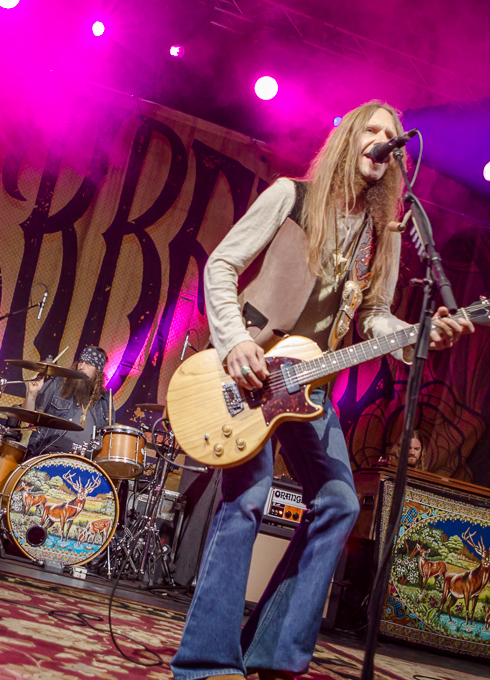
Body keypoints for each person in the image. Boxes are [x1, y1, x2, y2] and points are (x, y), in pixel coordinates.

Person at [171, 101, 473, 680]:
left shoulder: (383, 237)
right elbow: (222, 265)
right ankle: (204, 663)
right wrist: (234, 341)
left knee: (339, 503)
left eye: (393, 137)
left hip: (311, 386)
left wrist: (418, 336)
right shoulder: (292, 197)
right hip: (254, 371)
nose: (384, 141)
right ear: (350, 139)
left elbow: (377, 318)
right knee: (249, 497)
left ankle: (274, 654)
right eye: (374, 131)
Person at [21, 346, 111, 458]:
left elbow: (108, 440)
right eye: (81, 362)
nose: (81, 367)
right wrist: (31, 393)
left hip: (85, 464)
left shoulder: (104, 401)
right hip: (47, 454)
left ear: (98, 372)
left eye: (88, 364)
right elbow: (27, 416)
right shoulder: (58, 384)